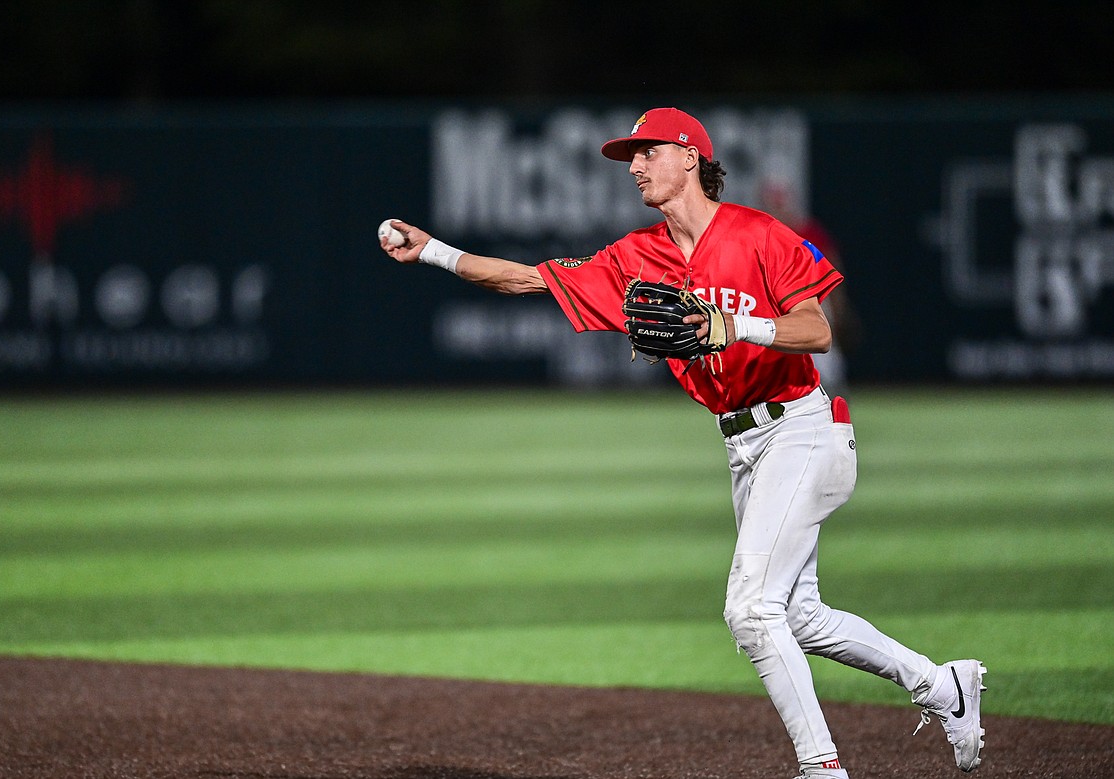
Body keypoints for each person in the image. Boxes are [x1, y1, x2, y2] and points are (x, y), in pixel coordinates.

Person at [379, 107, 985, 779]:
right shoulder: (636, 257)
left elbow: (815, 330)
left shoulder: (759, 234)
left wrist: (735, 327)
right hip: (745, 446)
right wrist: (433, 250)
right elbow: (525, 277)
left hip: (805, 427)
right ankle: (942, 685)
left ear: (690, 157)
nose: (633, 165)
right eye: (628, 157)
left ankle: (823, 768)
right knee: (800, 616)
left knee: (752, 611)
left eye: (647, 151)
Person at [756, 177, 861, 394]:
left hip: (812, 303)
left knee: (826, 365)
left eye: (780, 201)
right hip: (772, 307)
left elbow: (832, 272)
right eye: (773, 201)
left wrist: (839, 310)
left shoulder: (808, 234)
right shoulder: (758, 234)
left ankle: (835, 410)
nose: (777, 207)